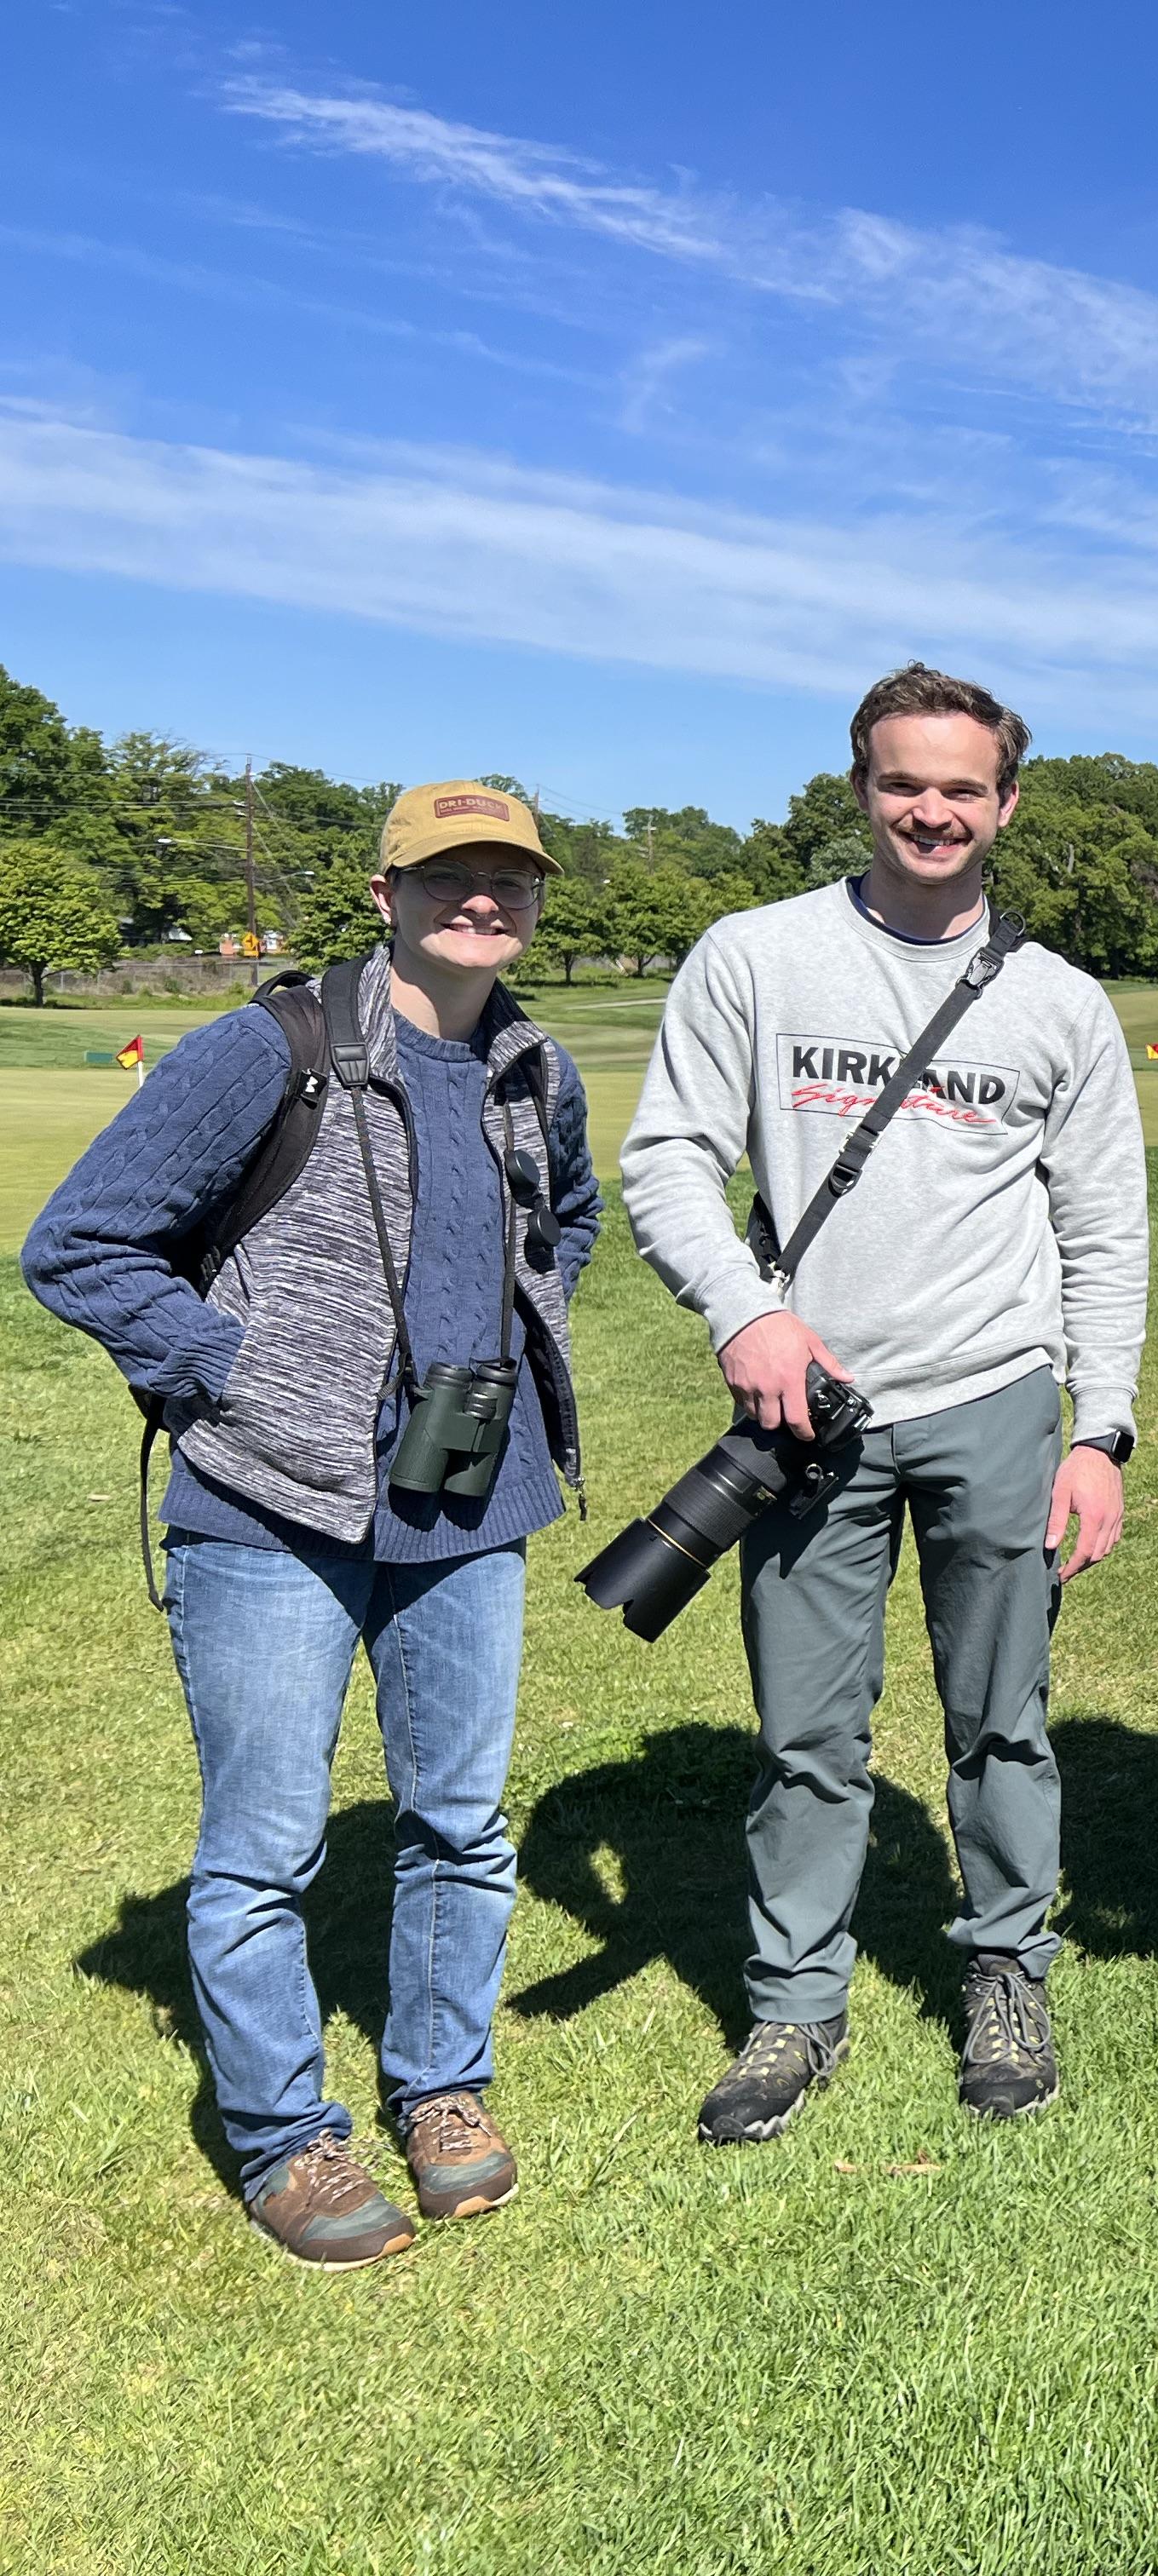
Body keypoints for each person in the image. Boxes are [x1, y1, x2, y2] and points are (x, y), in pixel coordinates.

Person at [26, 783, 596, 2267]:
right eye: (451, 874)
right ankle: (286, 2136)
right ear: (383, 890)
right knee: (263, 1848)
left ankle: (442, 2090)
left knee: (463, 1827)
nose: (486, 899)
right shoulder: (261, 1051)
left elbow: (567, 1221)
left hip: (466, 1505)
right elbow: (78, 1245)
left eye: (511, 877)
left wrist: (520, 1340)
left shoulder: (537, 1066)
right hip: (268, 1505)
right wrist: (240, 1369)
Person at [622, 664, 1152, 2144]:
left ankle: (1006, 1975)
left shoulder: (1059, 1003)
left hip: (993, 1400)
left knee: (1003, 1721)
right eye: (904, 782)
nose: (933, 809)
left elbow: (1106, 1233)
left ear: (1006, 804)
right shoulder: (756, 956)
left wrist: (1099, 1431)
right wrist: (749, 1311)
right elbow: (667, 1158)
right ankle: (794, 2008)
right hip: (811, 1412)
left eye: (962, 787)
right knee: (809, 1731)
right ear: (860, 787)